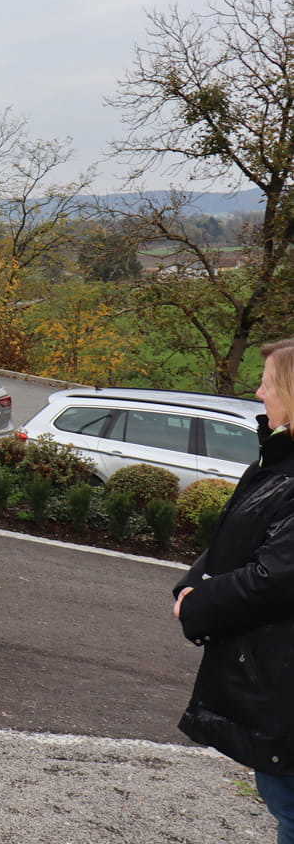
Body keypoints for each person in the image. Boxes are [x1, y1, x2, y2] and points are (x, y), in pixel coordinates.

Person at [175, 339, 294, 843]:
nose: (260, 392)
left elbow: (277, 577)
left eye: (268, 383)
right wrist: (192, 583)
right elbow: (239, 540)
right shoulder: (278, 462)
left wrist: (201, 604)